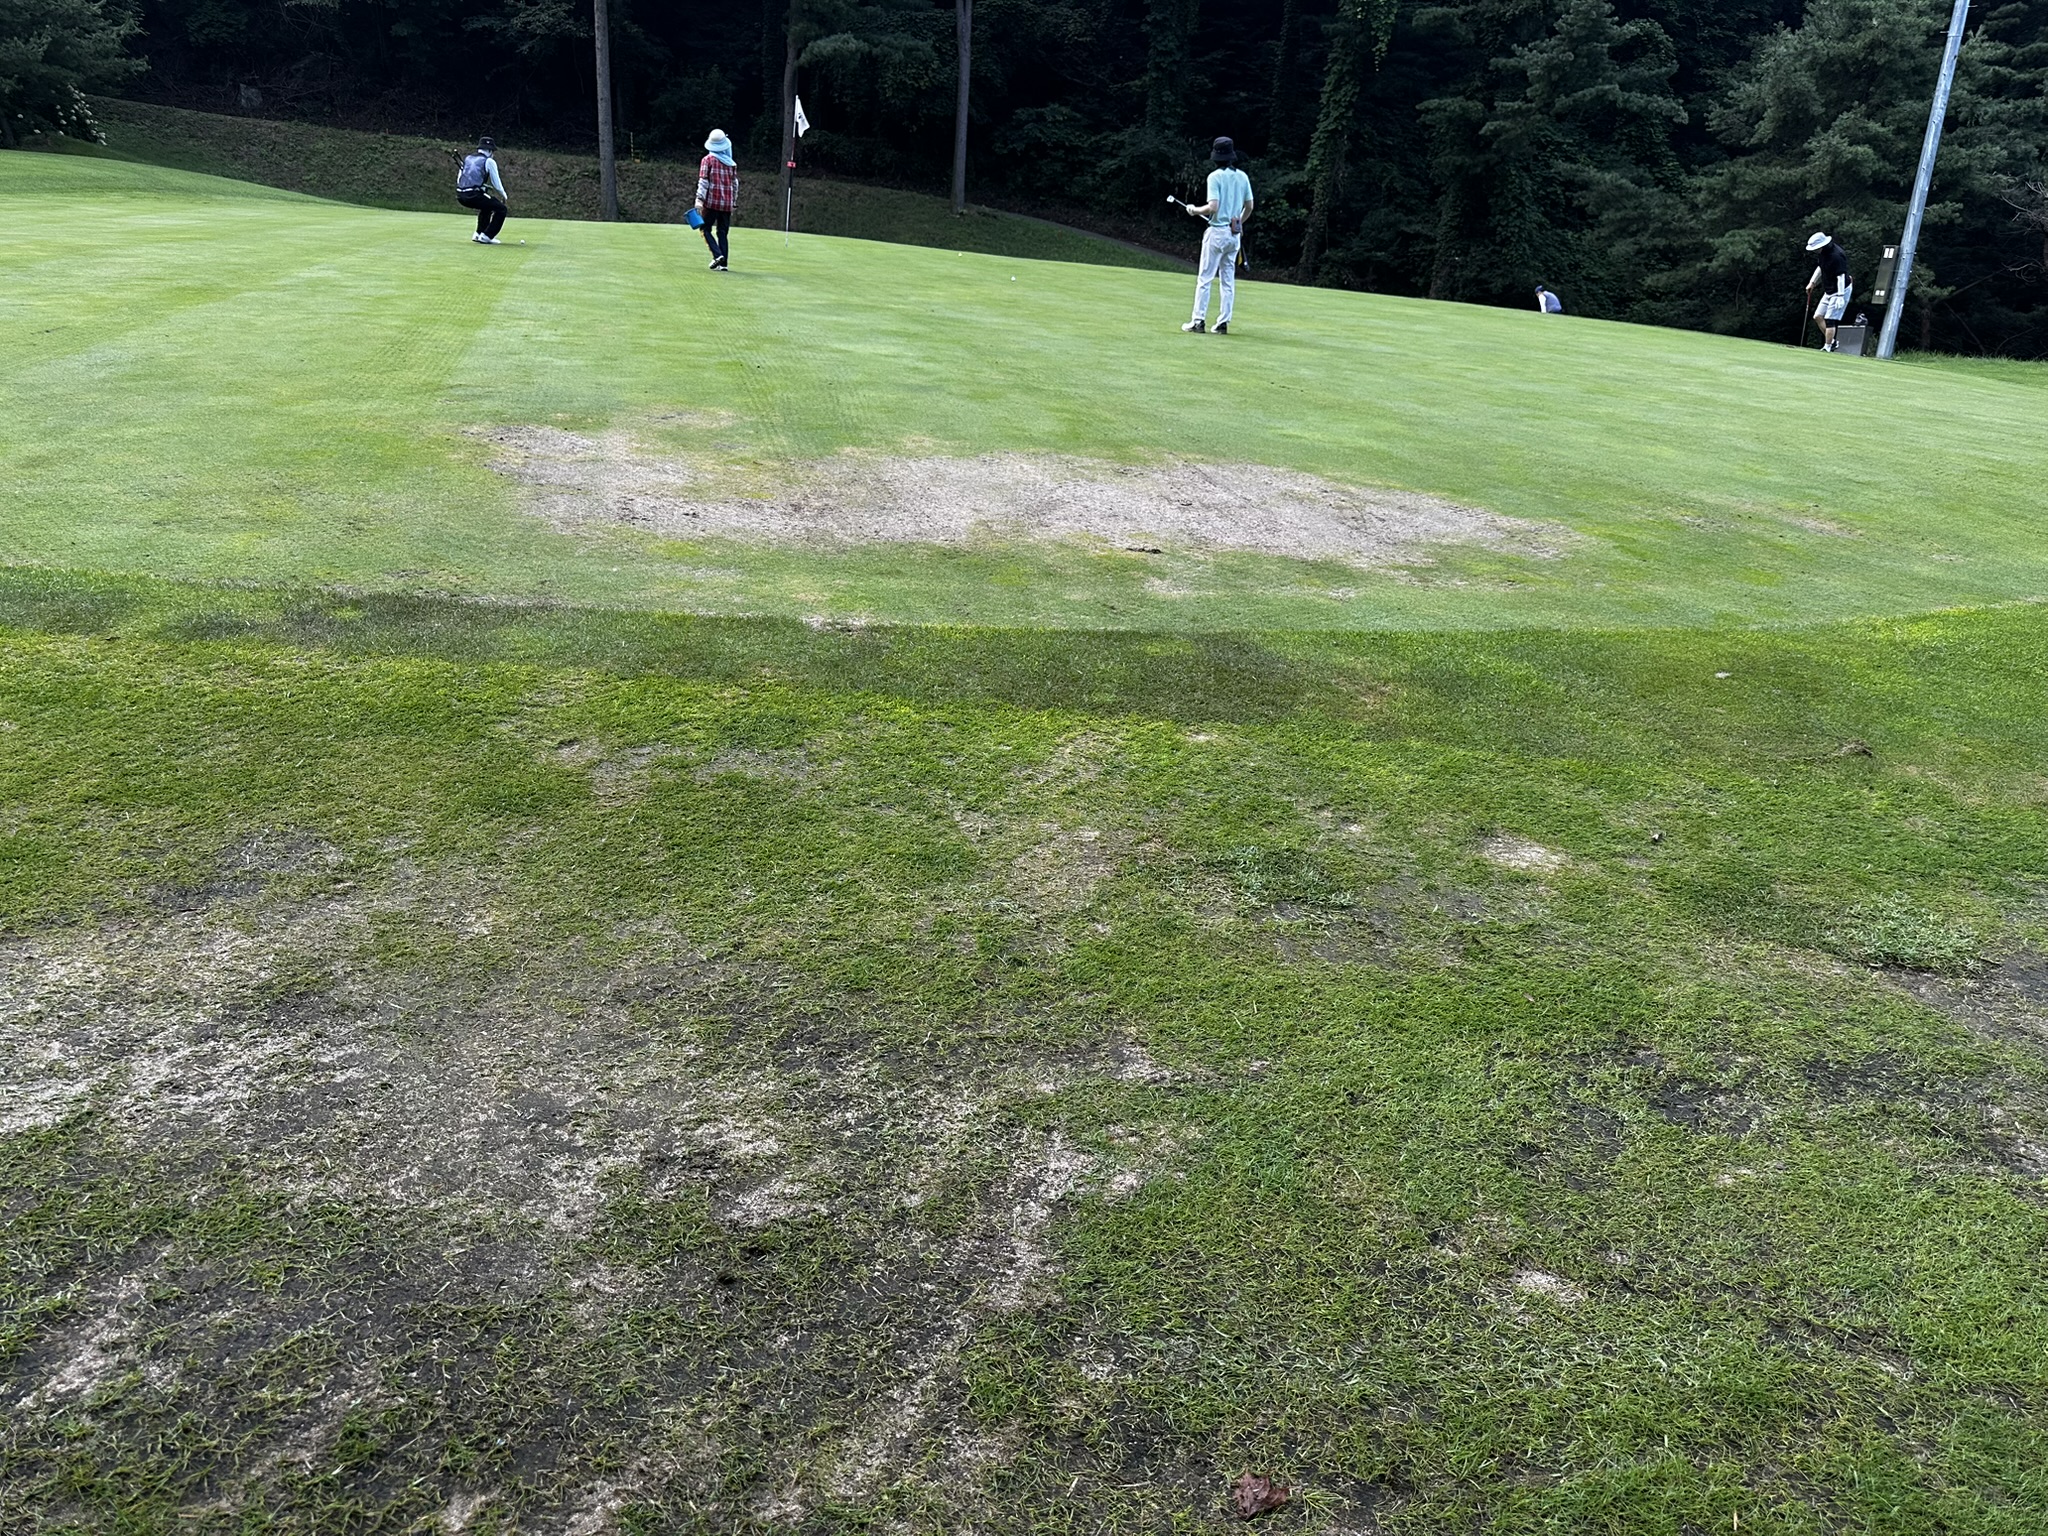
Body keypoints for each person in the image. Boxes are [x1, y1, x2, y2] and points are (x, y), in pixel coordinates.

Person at [1180, 137, 1253, 335]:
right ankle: (1223, 323)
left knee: (1205, 277)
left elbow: (1213, 207)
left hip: (1217, 233)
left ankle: (1198, 321)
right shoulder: (1243, 177)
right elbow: (1249, 206)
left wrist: (1194, 210)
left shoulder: (1214, 177)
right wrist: (1239, 223)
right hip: (1233, 235)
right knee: (1227, 279)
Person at [696, 129, 739, 271]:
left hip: (711, 203)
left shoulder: (707, 160)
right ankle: (723, 264)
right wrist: (733, 202)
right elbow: (735, 185)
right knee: (722, 232)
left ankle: (717, 255)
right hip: (726, 204)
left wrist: (699, 199)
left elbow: (704, 182)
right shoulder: (731, 163)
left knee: (705, 229)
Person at [456, 137, 509, 245]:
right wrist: (503, 194)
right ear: (489, 151)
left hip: (460, 195)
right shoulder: (489, 161)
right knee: (501, 209)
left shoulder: (468, 158)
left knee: (487, 206)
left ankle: (478, 234)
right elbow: (496, 182)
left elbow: (460, 179)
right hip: (473, 195)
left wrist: (482, 187)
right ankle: (487, 236)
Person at [1805, 231, 1852, 350]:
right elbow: (1820, 267)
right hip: (1829, 290)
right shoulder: (1822, 253)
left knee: (1830, 319)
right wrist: (1812, 282)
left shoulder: (1837, 255)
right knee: (1818, 316)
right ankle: (1833, 342)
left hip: (1841, 290)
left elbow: (1840, 277)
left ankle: (1828, 346)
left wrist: (1840, 296)